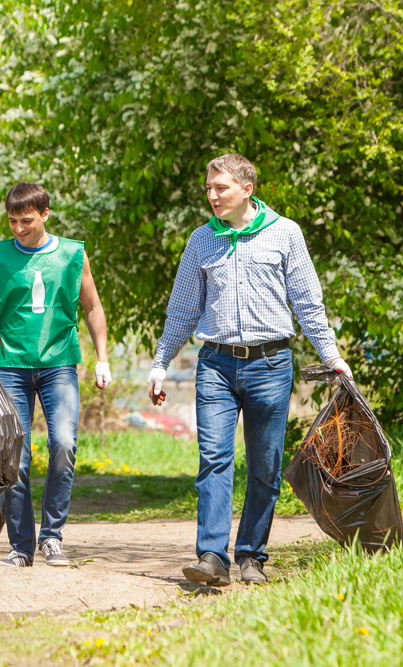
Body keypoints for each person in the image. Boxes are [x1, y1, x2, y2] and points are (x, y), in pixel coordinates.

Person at [148, 154, 353, 586]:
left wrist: (332, 355)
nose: (212, 195)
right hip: (216, 365)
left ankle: (251, 556)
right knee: (214, 459)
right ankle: (211, 556)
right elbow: (183, 310)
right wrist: (160, 362)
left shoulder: (285, 234)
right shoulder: (201, 241)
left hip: (271, 365)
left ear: (247, 189)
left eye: (220, 187)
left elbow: (307, 303)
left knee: (264, 466)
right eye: (208, 188)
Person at [0, 182, 110, 568]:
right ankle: (21, 547)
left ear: (45, 214)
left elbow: (93, 307)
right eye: (12, 221)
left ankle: (52, 538)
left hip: (59, 364)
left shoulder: (71, 253)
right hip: (11, 366)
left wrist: (102, 358)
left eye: (26, 221)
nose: (18, 228)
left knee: (63, 445)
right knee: (16, 458)